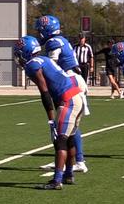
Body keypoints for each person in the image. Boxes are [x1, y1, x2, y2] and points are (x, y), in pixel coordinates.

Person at [13, 36, 85, 190]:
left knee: (60, 141)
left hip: (69, 100)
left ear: (25, 52)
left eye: (19, 53)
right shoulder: (44, 59)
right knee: (70, 139)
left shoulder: (32, 65)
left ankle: (57, 180)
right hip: (76, 95)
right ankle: (69, 175)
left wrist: (51, 119)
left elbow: (45, 93)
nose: (18, 58)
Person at [36, 15, 89, 173]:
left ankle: (74, 161)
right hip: (74, 78)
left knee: (63, 124)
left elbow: (52, 65)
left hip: (69, 80)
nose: (39, 33)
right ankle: (75, 160)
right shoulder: (60, 39)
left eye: (41, 29)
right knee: (71, 124)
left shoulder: (54, 42)